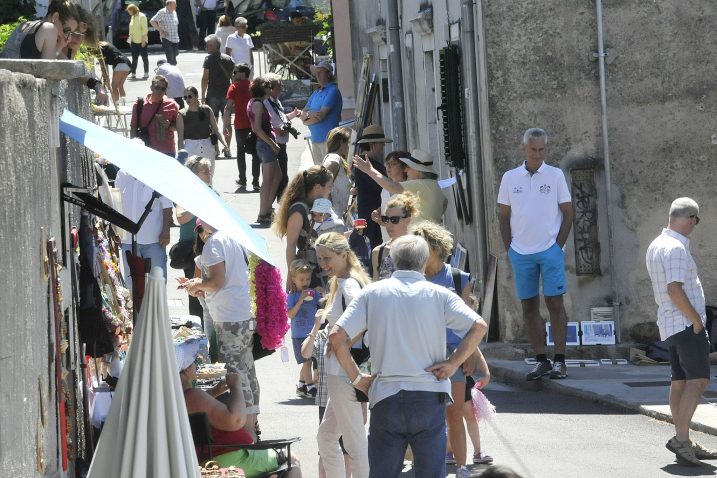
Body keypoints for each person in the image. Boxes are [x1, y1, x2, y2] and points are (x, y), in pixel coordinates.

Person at [329, 235, 488, 478]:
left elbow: (336, 336)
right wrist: (452, 362)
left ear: (393, 260)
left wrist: (357, 377)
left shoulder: (372, 293)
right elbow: (478, 326)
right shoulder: (439, 294)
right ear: (424, 262)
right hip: (428, 396)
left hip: (386, 395)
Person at [410, 221, 493, 473]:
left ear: (435, 247)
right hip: (422, 351)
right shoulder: (413, 279)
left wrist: (476, 359)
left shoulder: (457, 279)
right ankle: (423, 464)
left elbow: (471, 324)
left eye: (423, 247)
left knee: (455, 414)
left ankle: (461, 467)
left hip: (455, 354)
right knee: (424, 414)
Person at [497, 128, 573, 381]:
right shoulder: (510, 178)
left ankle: (560, 360)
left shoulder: (555, 175)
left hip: (549, 251)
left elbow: (568, 212)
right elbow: (503, 216)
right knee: (528, 305)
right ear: (524, 150)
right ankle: (541, 360)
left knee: (555, 304)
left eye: (542, 150)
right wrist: (510, 248)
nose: (538, 155)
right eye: (533, 150)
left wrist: (557, 246)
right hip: (521, 252)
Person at [645, 197, 717, 466]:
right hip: (685, 324)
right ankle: (681, 439)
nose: (695, 226)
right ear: (690, 219)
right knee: (698, 380)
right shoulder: (675, 248)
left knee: (680, 381)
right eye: (695, 222)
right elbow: (674, 289)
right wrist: (697, 319)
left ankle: (683, 440)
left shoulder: (656, 245)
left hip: (670, 325)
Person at [181, 220, 260, 440]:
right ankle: (251, 424)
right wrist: (200, 284)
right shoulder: (232, 237)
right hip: (240, 313)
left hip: (230, 317)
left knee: (236, 373)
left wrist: (196, 285)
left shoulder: (214, 243)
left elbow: (216, 282)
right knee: (246, 369)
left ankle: (246, 431)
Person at [177, 345, 303, 477]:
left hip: (215, 458)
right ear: (186, 371)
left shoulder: (178, 397)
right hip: (227, 459)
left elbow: (196, 406)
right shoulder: (192, 395)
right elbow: (236, 420)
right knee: (291, 459)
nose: (195, 366)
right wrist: (236, 386)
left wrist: (213, 392)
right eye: (193, 363)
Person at [315, 232, 371, 478]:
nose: (324, 265)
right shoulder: (345, 281)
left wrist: (343, 342)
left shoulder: (349, 284)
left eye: (327, 258)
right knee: (326, 437)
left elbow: (365, 321)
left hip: (344, 372)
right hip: (340, 371)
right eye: (320, 260)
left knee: (354, 444)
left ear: (343, 255)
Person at [272, 166, 334, 289]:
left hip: (323, 270)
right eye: (329, 187)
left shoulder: (317, 206)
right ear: (317, 187)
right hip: (309, 274)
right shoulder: (299, 210)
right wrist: (291, 277)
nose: (331, 191)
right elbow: (291, 246)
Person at [354, 148, 446, 224]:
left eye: (409, 167)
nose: (406, 170)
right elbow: (445, 203)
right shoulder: (433, 185)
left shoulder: (420, 184)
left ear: (418, 171)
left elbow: (392, 187)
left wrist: (369, 170)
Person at [115, 167, 173, 285]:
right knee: (132, 285)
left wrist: (166, 231)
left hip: (154, 241)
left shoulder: (156, 174)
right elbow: (116, 203)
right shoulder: (122, 174)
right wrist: (117, 231)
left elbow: (167, 205)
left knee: (157, 286)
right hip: (128, 241)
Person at [175, 156, 212, 319]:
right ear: (194, 175)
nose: (209, 174)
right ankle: (198, 327)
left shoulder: (213, 193)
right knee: (195, 290)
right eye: (205, 171)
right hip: (191, 249)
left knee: (210, 290)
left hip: (210, 246)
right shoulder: (185, 194)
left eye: (209, 170)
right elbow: (181, 217)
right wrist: (200, 203)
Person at [350, 124, 392, 248]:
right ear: (373, 145)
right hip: (371, 215)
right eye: (381, 143)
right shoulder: (366, 164)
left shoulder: (370, 163)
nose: (383, 146)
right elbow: (381, 187)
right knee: (373, 248)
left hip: (371, 213)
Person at [248, 76, 282, 224]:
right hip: (264, 144)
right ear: (262, 89)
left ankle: (267, 209)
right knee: (268, 180)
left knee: (277, 176)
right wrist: (272, 144)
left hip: (265, 143)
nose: (270, 89)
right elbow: (257, 129)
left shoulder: (258, 102)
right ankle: (263, 213)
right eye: (268, 87)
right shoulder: (257, 104)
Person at [286, 259, 322, 398]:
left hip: (312, 333)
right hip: (299, 335)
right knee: (306, 361)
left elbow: (324, 301)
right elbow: (290, 314)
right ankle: (310, 387)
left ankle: (301, 386)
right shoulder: (292, 296)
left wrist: (321, 292)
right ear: (294, 279)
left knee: (309, 361)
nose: (305, 281)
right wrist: (300, 300)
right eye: (301, 279)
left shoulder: (312, 294)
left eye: (307, 278)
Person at [263, 74, 302, 202]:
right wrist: (276, 130)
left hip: (281, 143)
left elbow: (281, 118)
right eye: (278, 88)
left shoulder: (276, 101)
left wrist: (293, 114)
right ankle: (272, 205)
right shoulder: (265, 102)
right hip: (273, 144)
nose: (281, 90)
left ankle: (281, 203)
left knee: (282, 176)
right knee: (277, 177)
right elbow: (264, 124)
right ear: (270, 88)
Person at [176, 85, 228, 177]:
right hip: (190, 148)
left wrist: (224, 144)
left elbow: (216, 130)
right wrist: (181, 155)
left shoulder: (207, 110)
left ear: (196, 96)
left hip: (207, 146)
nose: (187, 99)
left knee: (208, 177)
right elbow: (180, 138)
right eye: (185, 97)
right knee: (192, 178)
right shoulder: (181, 114)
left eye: (190, 96)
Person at [0, 0, 80, 59]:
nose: (67, 37)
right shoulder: (49, 29)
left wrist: (60, 45)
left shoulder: (26, 25)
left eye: (70, 33)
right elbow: (48, 69)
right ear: (55, 17)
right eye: (66, 30)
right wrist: (60, 46)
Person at [301, 61, 343, 165]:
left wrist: (307, 117)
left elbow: (320, 116)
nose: (317, 74)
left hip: (329, 141)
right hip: (316, 140)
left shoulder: (333, 91)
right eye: (317, 72)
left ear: (328, 74)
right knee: (320, 175)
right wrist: (309, 115)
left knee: (330, 174)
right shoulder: (316, 92)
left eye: (320, 72)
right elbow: (302, 116)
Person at [371, 192, 418, 280]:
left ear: (407, 220)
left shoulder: (419, 250)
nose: (389, 224)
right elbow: (375, 287)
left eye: (394, 220)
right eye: (386, 219)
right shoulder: (378, 252)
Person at [129, 75, 179, 156]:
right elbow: (133, 127)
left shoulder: (172, 105)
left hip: (167, 150)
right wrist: (133, 147)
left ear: (165, 90)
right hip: (146, 149)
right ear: (151, 87)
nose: (160, 90)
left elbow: (178, 127)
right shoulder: (140, 104)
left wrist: (169, 125)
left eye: (163, 88)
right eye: (157, 87)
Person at [224, 63, 257, 189]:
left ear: (243, 73)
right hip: (255, 124)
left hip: (240, 125)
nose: (233, 75)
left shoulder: (234, 87)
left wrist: (226, 125)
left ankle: (242, 179)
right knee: (255, 153)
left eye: (235, 72)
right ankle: (256, 182)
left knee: (240, 152)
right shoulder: (254, 86)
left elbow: (228, 108)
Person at [201, 34, 234, 130]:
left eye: (209, 45)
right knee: (227, 122)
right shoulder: (228, 59)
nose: (207, 47)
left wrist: (203, 96)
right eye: (207, 45)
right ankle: (227, 145)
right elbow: (233, 78)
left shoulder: (208, 59)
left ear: (216, 46)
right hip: (227, 95)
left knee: (213, 122)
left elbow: (205, 79)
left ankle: (215, 145)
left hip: (212, 95)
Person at [322, 127, 352, 221]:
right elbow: (321, 180)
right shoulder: (334, 159)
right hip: (332, 217)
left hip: (338, 215)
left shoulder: (338, 159)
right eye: (347, 143)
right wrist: (329, 210)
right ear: (341, 143)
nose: (348, 146)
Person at [150, 0, 180, 66]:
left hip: (175, 38)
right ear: (169, 5)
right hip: (166, 38)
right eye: (174, 4)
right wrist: (161, 30)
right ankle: (171, 71)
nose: (176, 6)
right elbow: (152, 21)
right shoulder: (162, 12)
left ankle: (172, 68)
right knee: (170, 57)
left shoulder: (174, 12)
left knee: (174, 56)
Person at [126, 3, 149, 80]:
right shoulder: (133, 17)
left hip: (141, 41)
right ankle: (133, 73)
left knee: (144, 58)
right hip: (134, 41)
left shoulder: (142, 16)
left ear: (133, 10)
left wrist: (143, 41)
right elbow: (131, 29)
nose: (129, 13)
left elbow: (144, 30)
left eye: (129, 11)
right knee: (134, 58)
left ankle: (146, 73)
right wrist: (130, 40)